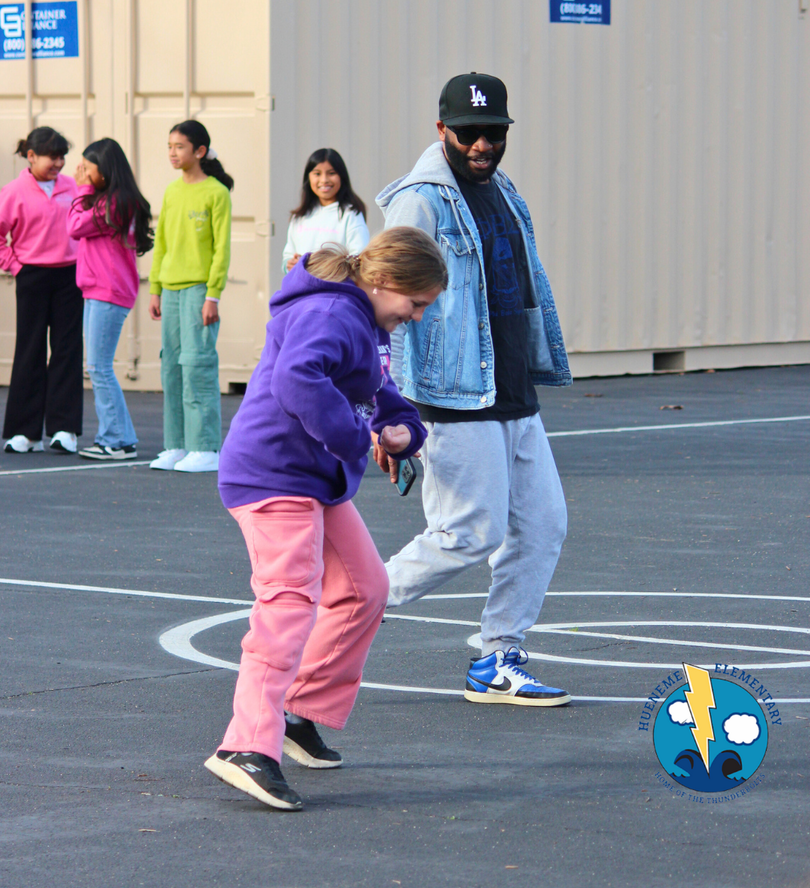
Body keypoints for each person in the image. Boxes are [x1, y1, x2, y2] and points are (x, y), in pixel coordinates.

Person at [206, 227, 446, 811]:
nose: (414, 316)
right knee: (288, 602)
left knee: (366, 588)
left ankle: (297, 710)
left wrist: (405, 431)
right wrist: (355, 439)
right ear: (386, 282)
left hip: (315, 479)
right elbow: (297, 380)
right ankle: (246, 745)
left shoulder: (365, 322)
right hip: (273, 474)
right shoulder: (331, 313)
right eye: (414, 304)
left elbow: (382, 392)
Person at [375, 73, 574, 707]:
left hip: (511, 390)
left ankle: (498, 660)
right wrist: (392, 406)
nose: (483, 144)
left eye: (494, 132)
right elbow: (387, 301)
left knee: (541, 525)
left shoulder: (502, 190)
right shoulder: (421, 201)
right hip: (452, 397)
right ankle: (339, 610)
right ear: (443, 131)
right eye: (469, 132)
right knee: (467, 532)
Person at [0, 127, 83, 454]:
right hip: (31, 277)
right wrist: (17, 267)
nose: (58, 163)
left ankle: (64, 429)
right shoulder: (14, 191)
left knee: (67, 350)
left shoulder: (72, 187)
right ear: (31, 156)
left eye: (62, 157)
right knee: (29, 351)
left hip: (70, 278)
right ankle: (24, 433)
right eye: (51, 157)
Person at [148, 120, 232, 474]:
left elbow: (221, 250)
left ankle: (205, 448)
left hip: (199, 290)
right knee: (171, 367)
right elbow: (162, 243)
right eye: (169, 145)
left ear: (199, 151)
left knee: (197, 366)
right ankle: (177, 444)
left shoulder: (216, 193)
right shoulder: (171, 191)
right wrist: (154, 287)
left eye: (179, 146)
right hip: (170, 288)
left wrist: (213, 295)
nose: (172, 152)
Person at [67, 138, 153, 461]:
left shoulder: (114, 203)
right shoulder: (112, 199)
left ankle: (115, 440)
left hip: (108, 290)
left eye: (88, 169)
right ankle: (121, 437)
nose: (83, 174)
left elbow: (75, 227)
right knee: (97, 366)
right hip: (97, 289)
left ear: (106, 170)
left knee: (99, 367)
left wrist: (81, 190)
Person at [282, 148, 370, 273]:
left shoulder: (351, 215)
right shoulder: (300, 216)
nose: (324, 180)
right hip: (303, 289)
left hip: (334, 289)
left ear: (342, 177)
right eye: (317, 174)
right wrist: (289, 264)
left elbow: (358, 259)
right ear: (308, 177)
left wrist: (317, 267)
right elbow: (288, 257)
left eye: (331, 173)